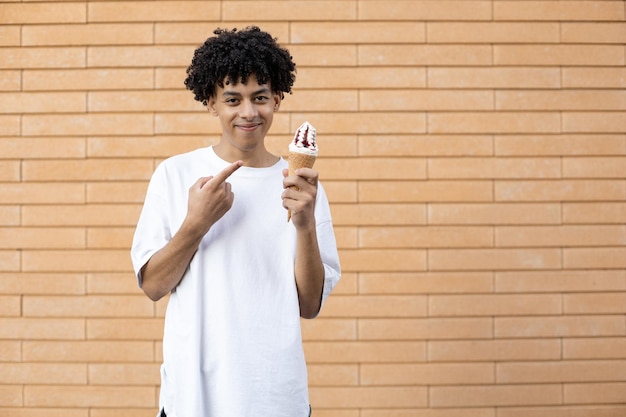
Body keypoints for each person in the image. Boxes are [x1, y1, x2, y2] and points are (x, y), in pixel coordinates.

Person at [130, 26, 341, 417]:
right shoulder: (175, 175)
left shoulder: (303, 189)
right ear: (211, 103)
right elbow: (154, 285)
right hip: (192, 402)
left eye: (260, 97)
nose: (248, 112)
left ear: (277, 99)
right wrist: (196, 223)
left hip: (276, 399)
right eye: (233, 99)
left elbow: (309, 305)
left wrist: (305, 224)